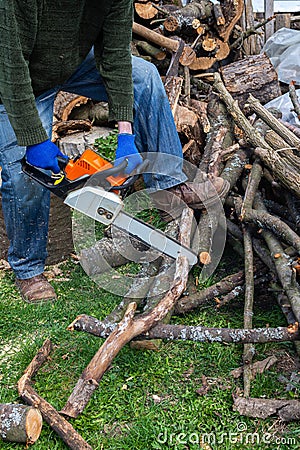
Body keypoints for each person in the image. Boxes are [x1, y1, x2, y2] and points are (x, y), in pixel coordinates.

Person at [0, 1, 229, 303]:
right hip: (14, 78)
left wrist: (125, 134)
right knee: (22, 173)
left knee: (145, 76)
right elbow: (10, 64)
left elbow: (116, 55)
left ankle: (169, 183)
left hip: (70, 62)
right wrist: (34, 139)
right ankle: (28, 269)